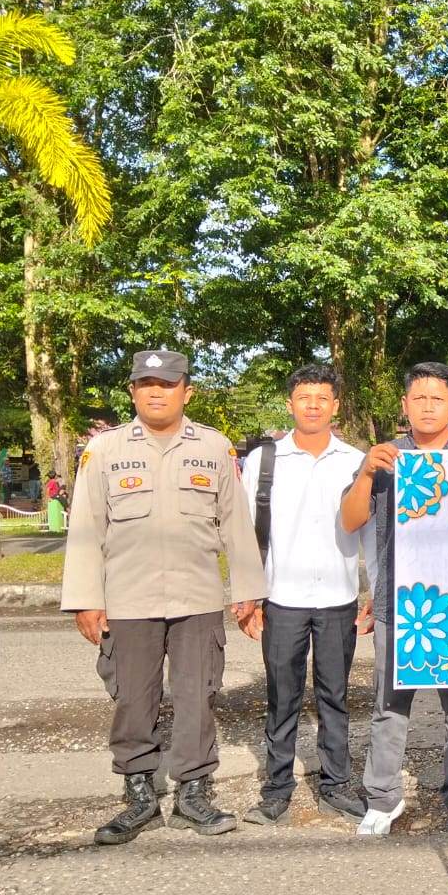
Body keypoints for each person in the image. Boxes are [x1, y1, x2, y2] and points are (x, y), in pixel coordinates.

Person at [61, 350, 267, 845]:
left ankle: (194, 795)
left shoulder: (215, 449)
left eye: (167, 383)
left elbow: (236, 525)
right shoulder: (104, 451)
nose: (157, 391)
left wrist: (248, 593)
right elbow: (86, 529)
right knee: (133, 699)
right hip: (127, 601)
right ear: (132, 391)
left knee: (199, 697)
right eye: (146, 383)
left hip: (196, 599)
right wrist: (87, 599)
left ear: (186, 392)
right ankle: (138, 797)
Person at [340, 362, 448, 835]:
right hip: (396, 604)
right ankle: (383, 798)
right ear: (404, 405)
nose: (427, 406)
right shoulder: (385, 458)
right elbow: (349, 519)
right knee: (389, 705)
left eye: (437, 398)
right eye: (418, 398)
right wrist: (365, 473)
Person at [238, 364, 373, 826]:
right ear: (290, 402)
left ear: (336, 406)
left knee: (336, 696)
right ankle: (277, 787)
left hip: (338, 598)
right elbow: (247, 533)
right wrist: (248, 595)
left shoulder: (355, 460)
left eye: (322, 398)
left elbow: (370, 533)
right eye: (303, 397)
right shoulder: (264, 460)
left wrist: (371, 589)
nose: (312, 405)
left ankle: (336, 784)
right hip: (282, 598)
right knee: (283, 695)